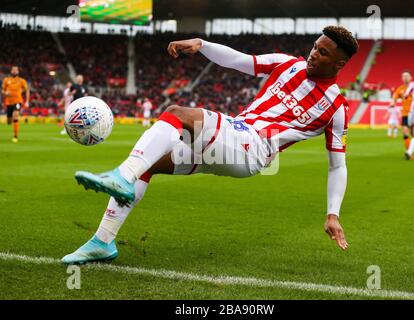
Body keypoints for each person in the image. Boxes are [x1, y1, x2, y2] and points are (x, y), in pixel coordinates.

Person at [62, 26, 359, 264]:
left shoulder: (336, 108)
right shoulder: (288, 65)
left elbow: (338, 165)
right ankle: (102, 242)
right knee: (148, 165)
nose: (314, 55)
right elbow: (239, 60)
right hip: (233, 134)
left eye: (323, 53)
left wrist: (333, 213)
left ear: (340, 63)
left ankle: (121, 176)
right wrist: (202, 45)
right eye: (315, 47)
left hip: (253, 148)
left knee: (178, 114)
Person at [1, 65, 29, 143]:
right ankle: (10, 120)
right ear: (11, 71)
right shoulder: (6, 80)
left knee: (15, 115)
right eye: (13, 70)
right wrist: (5, 93)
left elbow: (27, 90)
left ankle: (15, 136)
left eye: (16, 70)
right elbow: (2, 90)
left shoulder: (21, 81)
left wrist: (27, 101)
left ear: (18, 72)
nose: (14, 71)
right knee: (9, 121)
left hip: (18, 101)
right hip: (8, 102)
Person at [390, 71, 412, 148]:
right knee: (405, 131)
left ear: (411, 78)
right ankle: (409, 151)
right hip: (405, 113)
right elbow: (395, 96)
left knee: (413, 132)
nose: (405, 77)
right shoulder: (400, 89)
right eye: (404, 76)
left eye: (407, 76)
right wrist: (393, 102)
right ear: (402, 78)